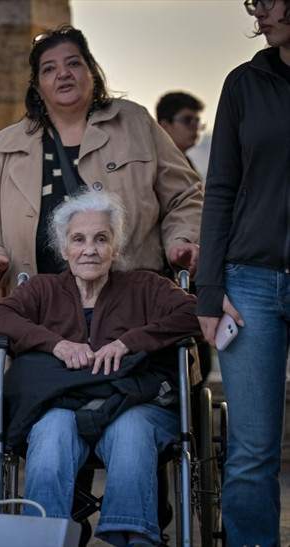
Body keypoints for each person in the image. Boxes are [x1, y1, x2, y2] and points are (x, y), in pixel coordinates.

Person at [0, 191, 202, 546]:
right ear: (64, 249)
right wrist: (56, 344)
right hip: (61, 408)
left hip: (135, 407)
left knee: (131, 431)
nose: (90, 249)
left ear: (115, 248)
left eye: (101, 239)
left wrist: (130, 341)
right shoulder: (43, 290)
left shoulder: (145, 287)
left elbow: (195, 313)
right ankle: (43, 538)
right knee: (51, 434)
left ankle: (135, 537)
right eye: (78, 239)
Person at [0, 25, 203, 295]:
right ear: (37, 87)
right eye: (49, 69)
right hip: (40, 310)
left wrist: (182, 241)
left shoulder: (135, 123)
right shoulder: (3, 147)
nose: (63, 73)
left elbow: (185, 196)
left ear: (91, 72)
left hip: (134, 304)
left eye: (73, 63)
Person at [195, 0, 290, 544]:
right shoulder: (245, 83)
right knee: (253, 451)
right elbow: (221, 190)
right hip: (249, 282)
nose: (259, 13)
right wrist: (209, 290)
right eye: (254, 3)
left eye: (270, 0)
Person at [155, 91, 205, 164]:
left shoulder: (185, 162)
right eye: (187, 120)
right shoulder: (155, 165)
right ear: (164, 126)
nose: (195, 127)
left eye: (197, 121)